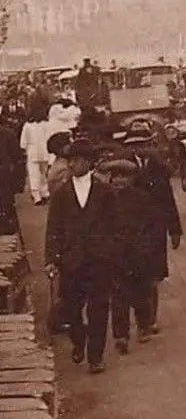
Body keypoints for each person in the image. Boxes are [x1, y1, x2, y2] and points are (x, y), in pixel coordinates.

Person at [44, 139, 117, 373]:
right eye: (69, 160)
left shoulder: (105, 191)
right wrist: (51, 259)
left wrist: (111, 252)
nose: (71, 165)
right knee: (72, 308)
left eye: (76, 160)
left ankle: (96, 357)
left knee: (98, 308)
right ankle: (78, 341)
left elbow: (115, 226)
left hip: (99, 260)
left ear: (88, 162)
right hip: (71, 261)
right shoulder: (61, 193)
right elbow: (53, 227)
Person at [121, 120, 182, 333]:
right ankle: (140, 318)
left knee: (154, 277)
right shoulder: (122, 167)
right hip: (130, 229)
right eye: (135, 144)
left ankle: (149, 320)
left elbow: (168, 199)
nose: (140, 148)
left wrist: (175, 230)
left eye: (144, 143)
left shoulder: (158, 166)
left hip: (155, 227)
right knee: (134, 276)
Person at [104, 159, 155, 354]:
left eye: (124, 177)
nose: (119, 181)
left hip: (138, 253)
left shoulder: (142, 198)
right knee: (118, 297)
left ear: (132, 178)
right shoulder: (107, 199)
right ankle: (121, 335)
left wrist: (146, 250)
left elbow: (150, 226)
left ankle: (143, 326)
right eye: (115, 177)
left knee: (141, 293)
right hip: (116, 254)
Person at [20, 107, 49, 205]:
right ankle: (44, 192)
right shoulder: (46, 124)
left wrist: (25, 149)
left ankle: (37, 196)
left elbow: (23, 142)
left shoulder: (27, 126)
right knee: (44, 174)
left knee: (34, 175)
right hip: (44, 152)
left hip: (32, 152)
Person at [0, 123, 24, 234]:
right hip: (3, 173)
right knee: (5, 201)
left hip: (4, 173)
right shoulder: (8, 134)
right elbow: (17, 158)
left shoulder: (8, 134)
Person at [46, 131, 73, 196]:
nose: (72, 144)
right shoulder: (63, 168)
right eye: (69, 143)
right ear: (61, 148)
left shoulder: (61, 162)